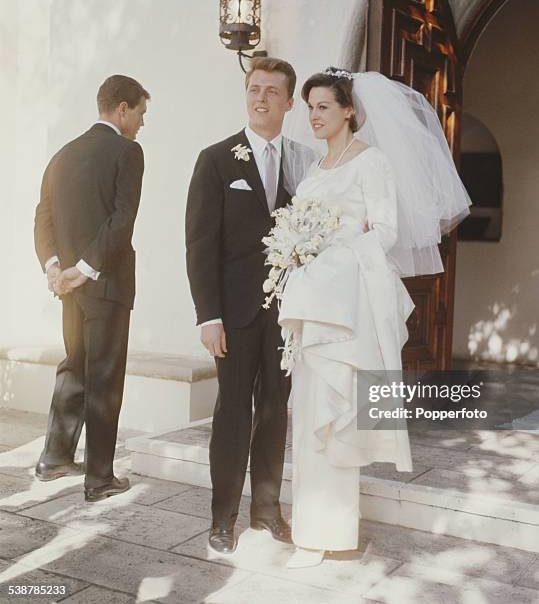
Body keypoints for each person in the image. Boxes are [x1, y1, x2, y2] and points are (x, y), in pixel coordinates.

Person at [277, 68, 471, 568]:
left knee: (337, 419)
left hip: (348, 304)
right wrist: (297, 254)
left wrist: (326, 252)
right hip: (313, 305)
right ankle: (309, 530)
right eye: (310, 107)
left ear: (348, 110)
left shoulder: (372, 163)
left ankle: (333, 531)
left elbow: (384, 231)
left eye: (323, 106)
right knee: (309, 419)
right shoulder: (316, 170)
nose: (313, 116)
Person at [185, 57, 314, 554]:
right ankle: (223, 518)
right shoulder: (216, 159)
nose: (260, 97)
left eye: (271, 91)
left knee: (276, 411)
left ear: (287, 102)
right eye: (253, 89)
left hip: (287, 314)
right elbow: (200, 243)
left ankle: (266, 511)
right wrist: (207, 315)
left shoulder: (304, 163)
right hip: (232, 316)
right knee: (232, 413)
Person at [33, 74, 149, 502]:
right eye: (140, 112)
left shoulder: (63, 155)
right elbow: (122, 220)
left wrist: (53, 267)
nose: (141, 122)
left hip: (69, 288)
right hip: (105, 284)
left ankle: (54, 458)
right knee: (103, 375)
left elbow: (42, 217)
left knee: (74, 365)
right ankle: (99, 478)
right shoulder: (128, 151)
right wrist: (84, 268)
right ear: (123, 109)